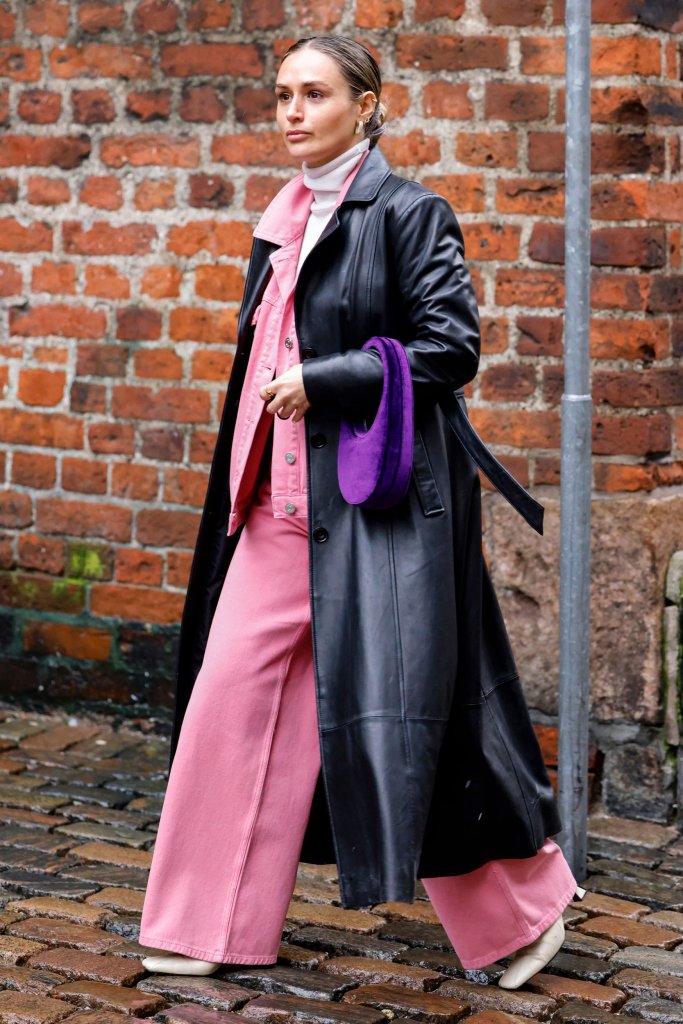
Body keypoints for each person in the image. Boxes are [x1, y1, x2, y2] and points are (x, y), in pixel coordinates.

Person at [138, 34, 586, 990]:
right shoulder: (280, 219)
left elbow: (449, 346)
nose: (291, 111)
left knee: (406, 723)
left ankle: (524, 914)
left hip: (378, 520)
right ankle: (208, 920)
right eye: (281, 95)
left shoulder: (410, 213)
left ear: (367, 104)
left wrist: (333, 377)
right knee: (228, 709)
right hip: (275, 514)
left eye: (313, 94)